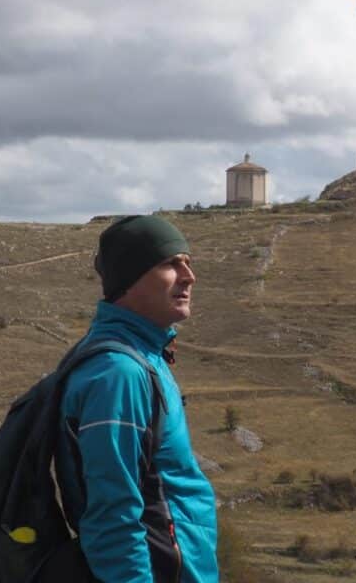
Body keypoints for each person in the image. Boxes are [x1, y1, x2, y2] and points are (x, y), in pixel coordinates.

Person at [55, 214, 218, 583]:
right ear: (130, 280)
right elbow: (112, 517)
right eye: (170, 263)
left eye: (188, 264)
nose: (189, 277)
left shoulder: (142, 358)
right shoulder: (119, 374)